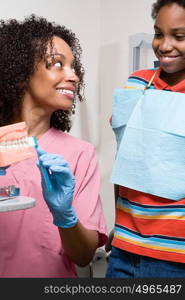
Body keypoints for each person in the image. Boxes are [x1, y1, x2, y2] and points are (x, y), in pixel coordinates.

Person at [0, 14, 107, 277]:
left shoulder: (80, 154)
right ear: (22, 71)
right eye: (57, 64)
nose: (73, 76)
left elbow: (83, 257)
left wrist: (65, 215)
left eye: (73, 67)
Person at [106, 0, 185, 278]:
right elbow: (125, 160)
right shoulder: (137, 83)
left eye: (179, 36)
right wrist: (118, 226)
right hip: (124, 249)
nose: (164, 45)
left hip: (176, 257)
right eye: (158, 33)